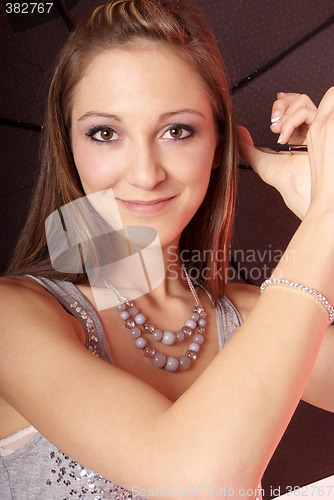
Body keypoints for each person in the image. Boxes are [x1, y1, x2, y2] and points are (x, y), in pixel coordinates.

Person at [0, 0, 333, 498]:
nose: (145, 173)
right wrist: (329, 217)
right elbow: (197, 482)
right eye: (105, 133)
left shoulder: (252, 316)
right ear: (69, 147)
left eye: (176, 131)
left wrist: (316, 204)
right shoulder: (14, 317)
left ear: (217, 143)